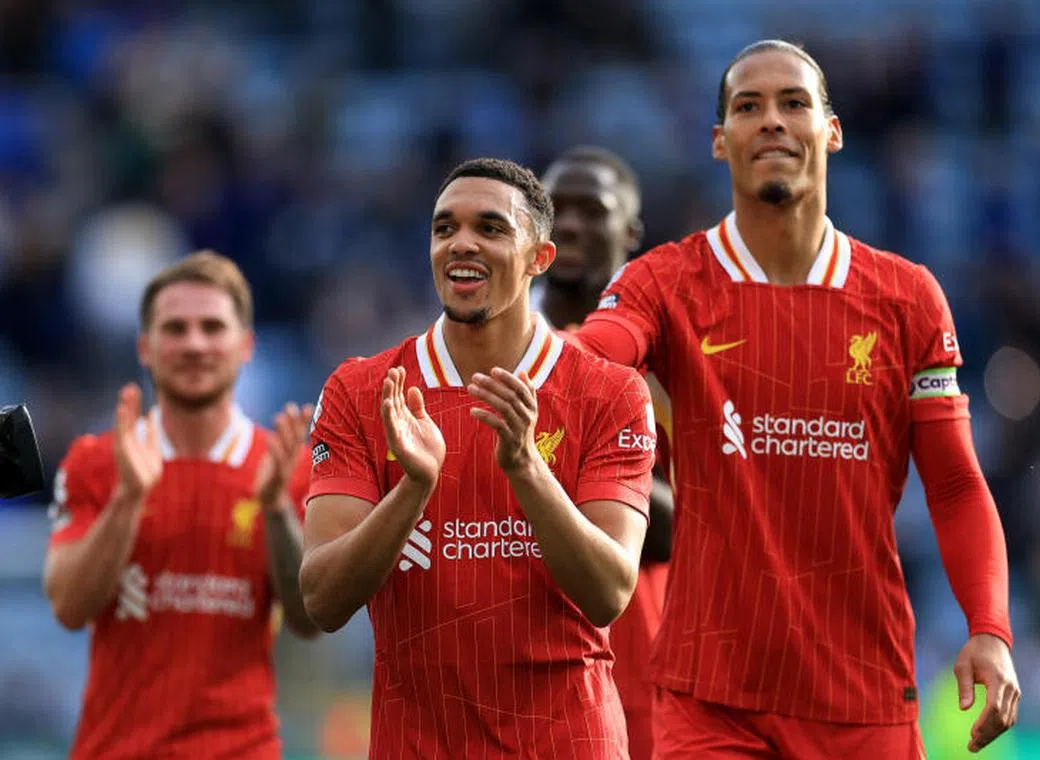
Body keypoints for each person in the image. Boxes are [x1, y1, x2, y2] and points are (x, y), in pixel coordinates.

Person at [571, 40, 1021, 758]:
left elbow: (957, 483)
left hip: (862, 695)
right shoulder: (666, 281)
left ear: (832, 130)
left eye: (793, 103)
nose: (772, 120)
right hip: (710, 700)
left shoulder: (908, 299)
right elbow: (595, 354)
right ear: (720, 142)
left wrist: (990, 628)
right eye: (748, 107)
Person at [299, 157, 658, 759]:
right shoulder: (362, 390)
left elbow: (609, 591)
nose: (461, 243)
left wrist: (525, 467)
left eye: (490, 228)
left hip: (567, 744)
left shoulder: (610, 391)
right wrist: (411, 491)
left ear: (540, 258)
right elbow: (322, 600)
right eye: (445, 229)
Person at [44, 251, 318, 759]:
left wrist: (277, 508)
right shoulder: (96, 461)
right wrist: (128, 498)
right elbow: (68, 606)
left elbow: (308, 621)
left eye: (212, 327)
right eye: (176, 329)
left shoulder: (287, 467)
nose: (194, 344)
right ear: (145, 348)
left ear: (246, 346)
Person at [540, 145, 672, 760]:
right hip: (512, 640)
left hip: (639, 651)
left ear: (631, 231)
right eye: (553, 208)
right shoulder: (475, 345)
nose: (567, 223)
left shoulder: (669, 358)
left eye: (590, 210)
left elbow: (710, 516)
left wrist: (554, 477)